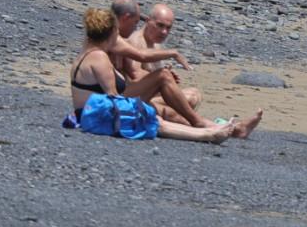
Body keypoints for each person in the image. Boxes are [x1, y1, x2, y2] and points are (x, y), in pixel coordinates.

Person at [68, 8, 260, 143]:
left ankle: (219, 130)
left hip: (92, 113)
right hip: (95, 117)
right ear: (110, 32)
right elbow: (114, 100)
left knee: (163, 112)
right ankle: (209, 134)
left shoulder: (90, 50)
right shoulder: (99, 57)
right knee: (156, 119)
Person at [111, 0, 213, 128]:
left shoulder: (154, 44)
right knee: (187, 99)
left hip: (140, 95)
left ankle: (207, 124)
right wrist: (162, 79)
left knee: (193, 95)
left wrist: (166, 79)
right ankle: (205, 124)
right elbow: (135, 73)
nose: (164, 32)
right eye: (160, 25)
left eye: (168, 28)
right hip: (129, 98)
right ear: (148, 21)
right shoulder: (130, 40)